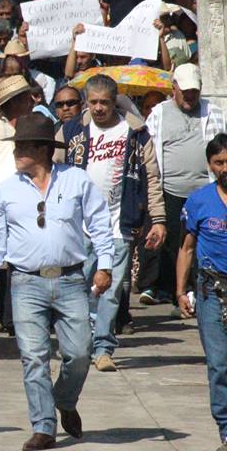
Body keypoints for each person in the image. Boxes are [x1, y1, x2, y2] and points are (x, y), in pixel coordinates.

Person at [0, 113, 114, 451]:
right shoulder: (6, 190)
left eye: (22, 146)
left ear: (42, 150)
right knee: (34, 356)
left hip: (70, 280)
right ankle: (44, 426)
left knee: (80, 353)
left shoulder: (77, 180)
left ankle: (64, 400)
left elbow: (100, 224)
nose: (16, 152)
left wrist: (106, 264)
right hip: (25, 283)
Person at [55, 75, 166, 372]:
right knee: (78, 287)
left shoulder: (136, 132)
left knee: (112, 288)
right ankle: (79, 342)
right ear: (86, 103)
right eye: (94, 102)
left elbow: (151, 178)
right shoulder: (71, 131)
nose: (100, 108)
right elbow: (53, 172)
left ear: (114, 100)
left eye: (105, 102)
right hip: (78, 225)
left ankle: (103, 346)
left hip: (120, 223)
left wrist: (157, 219)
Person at [141, 64, 226, 307]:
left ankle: (199, 290)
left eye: (194, 91)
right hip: (170, 189)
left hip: (206, 190)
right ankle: (168, 289)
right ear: (174, 88)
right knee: (170, 243)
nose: (190, 96)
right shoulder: (158, 113)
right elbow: (152, 152)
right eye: (185, 90)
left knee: (201, 242)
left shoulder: (214, 111)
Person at [176, 133, 227, 450]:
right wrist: (180, 290)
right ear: (210, 165)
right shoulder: (198, 201)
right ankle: (226, 427)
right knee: (219, 362)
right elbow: (186, 247)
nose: (226, 168)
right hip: (211, 290)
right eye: (219, 162)